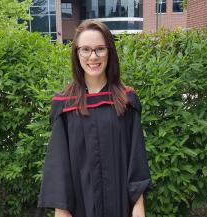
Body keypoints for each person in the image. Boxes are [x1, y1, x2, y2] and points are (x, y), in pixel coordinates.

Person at [37, 20, 152, 217]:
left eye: (100, 49)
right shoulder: (65, 104)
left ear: (110, 52)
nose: (93, 56)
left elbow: (136, 158)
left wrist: (138, 208)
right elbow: (59, 165)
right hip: (79, 206)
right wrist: (61, 211)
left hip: (120, 205)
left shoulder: (126, 100)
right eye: (86, 49)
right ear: (77, 54)